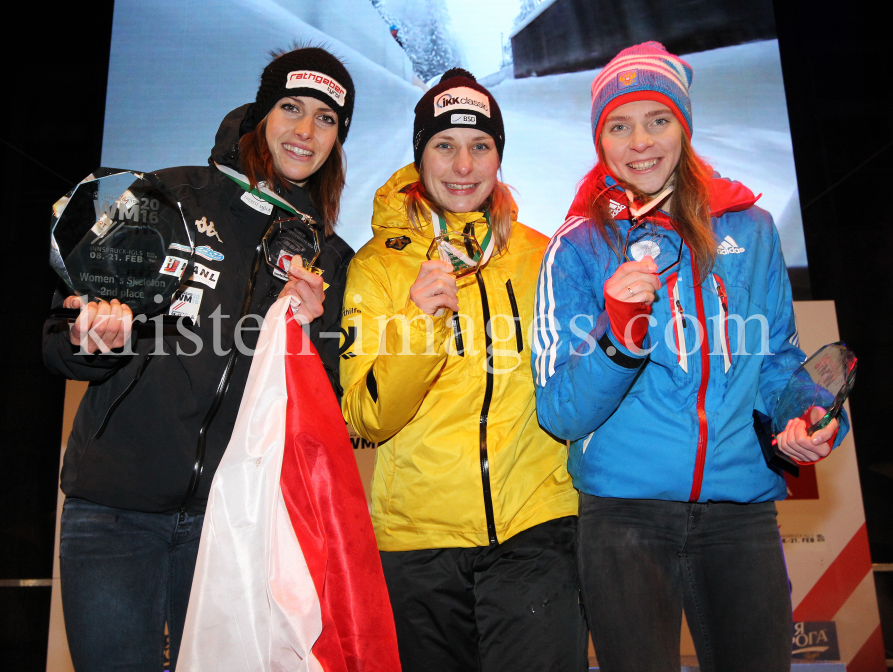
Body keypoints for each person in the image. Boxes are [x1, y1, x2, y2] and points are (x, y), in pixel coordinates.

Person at [531, 41, 849, 672]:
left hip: (741, 513)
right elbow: (560, 412)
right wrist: (620, 338)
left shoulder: (750, 228)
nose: (640, 142)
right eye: (619, 126)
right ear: (601, 140)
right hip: (624, 517)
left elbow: (776, 361)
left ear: (685, 125)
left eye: (658, 120)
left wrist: (808, 415)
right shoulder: (579, 245)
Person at [42, 47, 355, 672]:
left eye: (325, 119)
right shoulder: (169, 194)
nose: (304, 131)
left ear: (338, 140)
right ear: (262, 114)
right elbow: (57, 337)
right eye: (291, 108)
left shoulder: (330, 257)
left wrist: (312, 330)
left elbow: (328, 413)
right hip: (114, 509)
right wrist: (94, 338)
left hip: (232, 531)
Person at [340, 68, 588, 672]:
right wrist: (421, 325)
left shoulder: (543, 254)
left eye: (481, 146)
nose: (463, 165)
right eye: (444, 145)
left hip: (537, 529)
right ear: (420, 155)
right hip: (420, 543)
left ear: (498, 156)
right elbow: (366, 418)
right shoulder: (377, 265)